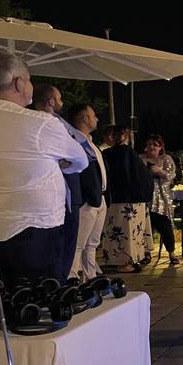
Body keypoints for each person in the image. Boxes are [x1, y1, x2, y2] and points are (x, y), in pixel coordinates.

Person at [0, 53, 87, 285]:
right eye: (29, 79)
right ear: (18, 82)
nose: (31, 85)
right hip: (34, 227)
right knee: (38, 303)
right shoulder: (40, 122)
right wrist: (57, 163)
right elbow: (80, 160)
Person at [32, 84, 88, 280]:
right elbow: (79, 154)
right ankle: (58, 284)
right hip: (62, 195)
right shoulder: (51, 124)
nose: (62, 103)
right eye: (60, 98)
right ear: (50, 102)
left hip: (65, 193)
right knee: (63, 244)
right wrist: (64, 162)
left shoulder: (54, 122)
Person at [101, 126, 153, 273]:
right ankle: (128, 261)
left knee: (114, 231)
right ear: (127, 137)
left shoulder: (106, 154)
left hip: (113, 200)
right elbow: (144, 177)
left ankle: (115, 260)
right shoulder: (131, 154)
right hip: (132, 202)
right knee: (129, 233)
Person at [67, 104, 107, 281]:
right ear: (85, 119)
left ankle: (91, 278)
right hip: (86, 200)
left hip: (100, 198)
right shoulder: (74, 142)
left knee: (92, 244)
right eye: (93, 115)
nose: (96, 119)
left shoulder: (91, 143)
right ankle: (72, 278)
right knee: (78, 244)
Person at [140, 134, 180, 265]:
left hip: (162, 199)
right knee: (146, 227)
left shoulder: (166, 159)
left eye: (155, 145)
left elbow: (170, 175)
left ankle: (172, 253)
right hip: (146, 199)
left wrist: (159, 171)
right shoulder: (141, 159)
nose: (152, 147)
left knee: (165, 227)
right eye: (149, 144)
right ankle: (146, 254)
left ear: (160, 147)